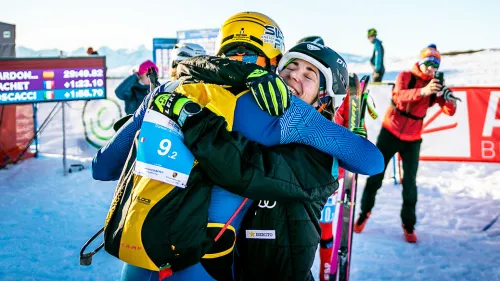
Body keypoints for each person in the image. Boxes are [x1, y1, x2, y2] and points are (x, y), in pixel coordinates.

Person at [93, 12, 382, 281]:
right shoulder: (276, 107)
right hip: (202, 262)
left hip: (136, 252)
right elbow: (369, 161)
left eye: (308, 74)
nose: (294, 76)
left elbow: (102, 168)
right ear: (272, 59)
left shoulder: (166, 90)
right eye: (289, 66)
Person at [353, 44, 458, 243]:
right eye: (428, 63)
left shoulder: (435, 85)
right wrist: (423, 91)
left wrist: (448, 98)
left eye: (435, 65)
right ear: (421, 62)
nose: (431, 68)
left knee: (410, 184)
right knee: (375, 175)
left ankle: (408, 225)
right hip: (390, 131)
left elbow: (449, 111)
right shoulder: (405, 76)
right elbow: (399, 96)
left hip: (413, 138)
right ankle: (364, 213)